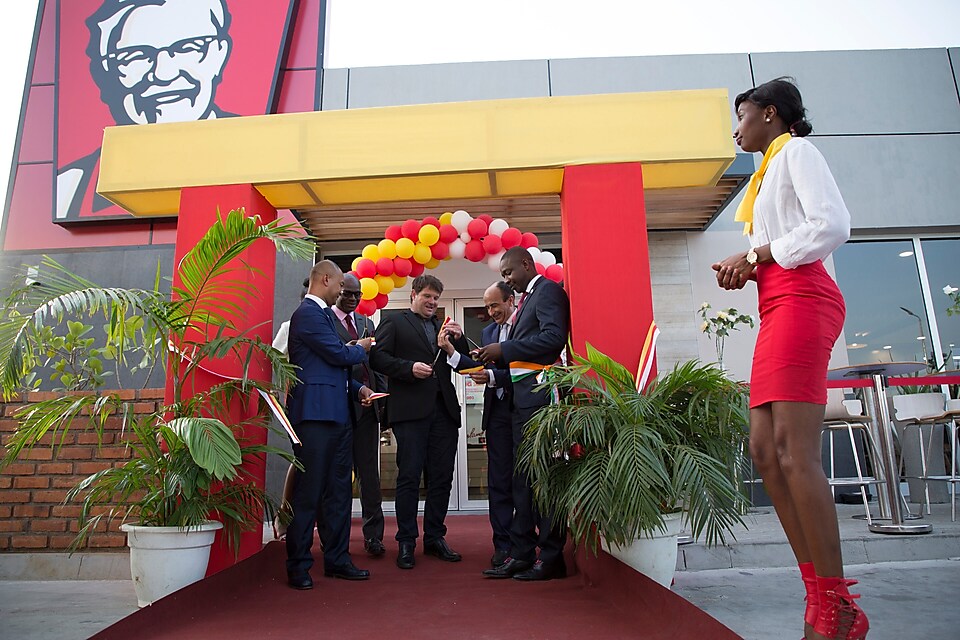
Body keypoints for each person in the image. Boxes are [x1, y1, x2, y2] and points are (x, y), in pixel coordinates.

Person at [713, 78, 866, 640]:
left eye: (743, 115)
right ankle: (815, 593)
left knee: (794, 452)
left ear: (770, 114)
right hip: (777, 302)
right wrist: (748, 267)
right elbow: (777, 247)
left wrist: (755, 253)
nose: (737, 128)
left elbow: (832, 226)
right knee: (763, 450)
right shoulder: (765, 172)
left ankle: (839, 604)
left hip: (806, 299)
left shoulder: (798, 151)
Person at [59, 0, 234, 220]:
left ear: (219, 54)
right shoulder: (69, 190)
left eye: (187, 48)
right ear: (109, 70)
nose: (163, 74)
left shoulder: (260, 160)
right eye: (136, 56)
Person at [475, 247, 570, 582]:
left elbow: (554, 338)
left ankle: (552, 557)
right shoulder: (528, 298)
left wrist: (506, 348)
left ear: (527, 265)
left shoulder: (548, 292)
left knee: (543, 480)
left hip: (542, 400)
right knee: (523, 482)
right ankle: (522, 553)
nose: (506, 280)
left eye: (508, 273)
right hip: (521, 401)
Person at [285, 261, 375, 589]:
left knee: (339, 493)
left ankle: (337, 560)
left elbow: (331, 367)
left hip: (339, 416)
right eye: (339, 284)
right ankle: (298, 565)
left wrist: (359, 388)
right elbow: (339, 356)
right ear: (325, 279)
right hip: (315, 418)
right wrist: (361, 349)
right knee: (309, 494)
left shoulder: (321, 315)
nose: (342, 290)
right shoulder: (308, 313)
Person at [369, 274, 468, 569]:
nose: (433, 302)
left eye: (436, 298)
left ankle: (435, 537)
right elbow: (377, 358)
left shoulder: (443, 328)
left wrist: (458, 341)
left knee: (442, 478)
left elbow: (463, 364)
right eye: (428, 296)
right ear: (413, 295)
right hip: (410, 412)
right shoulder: (395, 322)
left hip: (444, 412)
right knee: (409, 477)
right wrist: (408, 368)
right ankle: (406, 542)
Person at [438, 282, 516, 568]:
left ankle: (523, 544)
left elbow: (528, 372)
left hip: (523, 412)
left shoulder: (524, 328)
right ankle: (502, 544)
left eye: (495, 305)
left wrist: (494, 378)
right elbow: (476, 368)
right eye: (487, 307)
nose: (491, 311)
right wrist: (450, 350)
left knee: (522, 483)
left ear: (511, 300)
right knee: (497, 483)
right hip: (495, 415)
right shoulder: (487, 332)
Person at [327, 273, 387, 557]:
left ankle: (374, 537)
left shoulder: (367, 323)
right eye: (347, 294)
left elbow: (376, 367)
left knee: (370, 477)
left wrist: (380, 403)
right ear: (337, 291)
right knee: (337, 477)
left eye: (357, 295)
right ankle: (334, 538)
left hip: (368, 411)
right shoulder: (325, 320)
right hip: (338, 409)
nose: (352, 299)